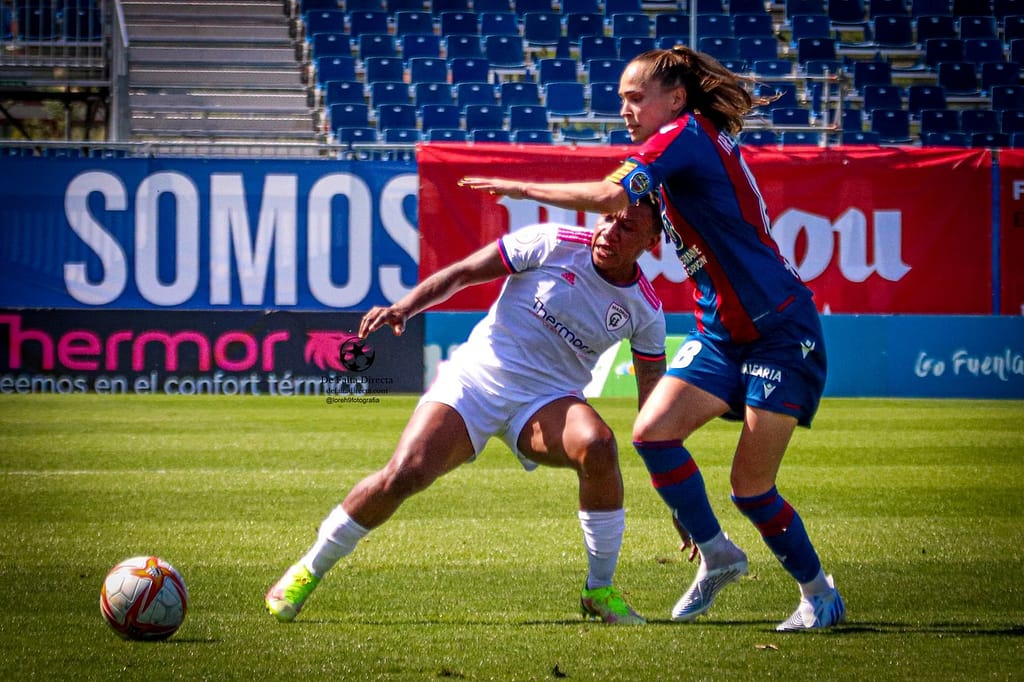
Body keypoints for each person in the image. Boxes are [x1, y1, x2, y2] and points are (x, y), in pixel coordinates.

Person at [459, 46, 845, 632]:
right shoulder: (679, 147)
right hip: (721, 331)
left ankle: (819, 594)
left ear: (676, 99)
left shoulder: (685, 134)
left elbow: (613, 197)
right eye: (621, 99)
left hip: (778, 331)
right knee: (652, 434)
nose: (625, 109)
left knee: (750, 487)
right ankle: (718, 555)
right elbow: (628, 209)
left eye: (635, 97)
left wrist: (519, 187)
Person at [266, 198, 667, 625]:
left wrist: (675, 500)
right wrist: (405, 306)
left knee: (599, 446)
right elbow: (462, 273)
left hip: (546, 400)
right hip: (475, 380)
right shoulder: (550, 242)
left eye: (626, 227)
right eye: (608, 218)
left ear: (652, 241)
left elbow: (653, 410)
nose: (609, 232)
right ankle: (307, 569)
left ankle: (599, 590)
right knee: (406, 473)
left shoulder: (646, 311)